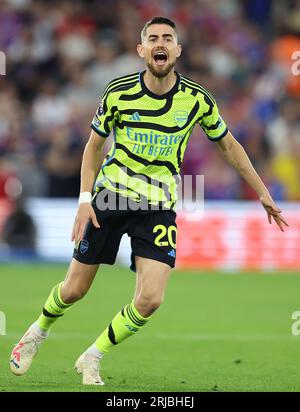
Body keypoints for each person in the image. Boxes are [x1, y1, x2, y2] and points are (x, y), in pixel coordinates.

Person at [10, 17, 289, 386]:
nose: (161, 43)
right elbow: (93, 147)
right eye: (153, 38)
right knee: (74, 289)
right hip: (110, 197)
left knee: (151, 300)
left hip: (157, 206)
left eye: (168, 38)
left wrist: (262, 192)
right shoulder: (119, 92)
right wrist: (84, 199)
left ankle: (93, 355)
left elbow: (229, 145)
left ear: (177, 49)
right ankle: (37, 332)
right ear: (142, 50)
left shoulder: (196, 99)